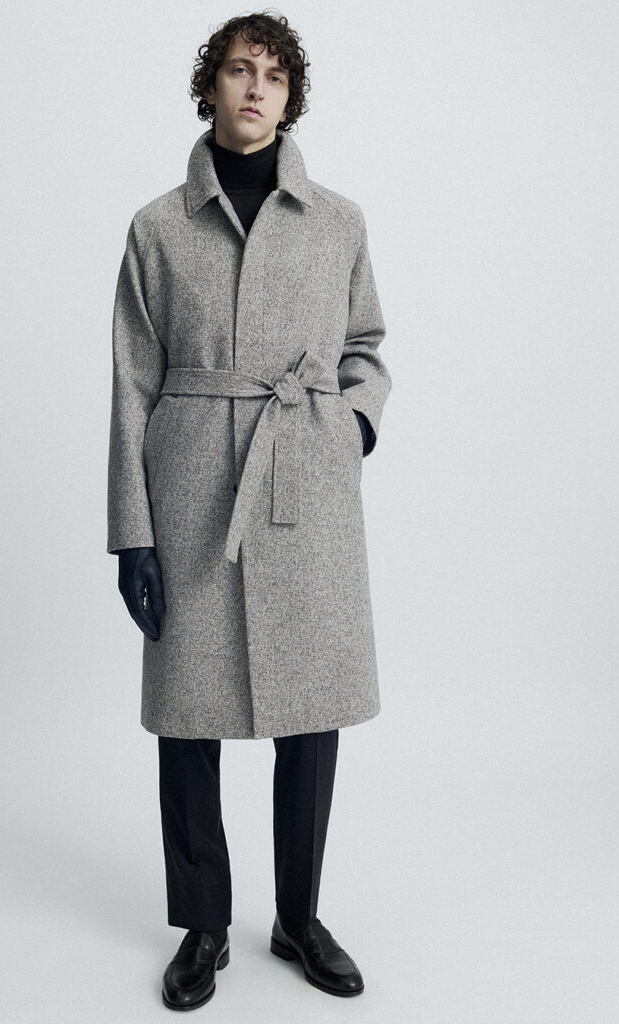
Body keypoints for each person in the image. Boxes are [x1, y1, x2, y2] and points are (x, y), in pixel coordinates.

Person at [107, 11, 391, 1010]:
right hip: (189, 488)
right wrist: (131, 534)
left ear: (290, 95)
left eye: (273, 74)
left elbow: (365, 347)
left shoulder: (339, 221)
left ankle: (299, 918)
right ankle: (204, 925)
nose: (256, 87)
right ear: (212, 86)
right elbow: (131, 384)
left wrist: (349, 427)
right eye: (239, 69)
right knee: (188, 717)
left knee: (310, 713)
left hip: (302, 487)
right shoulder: (157, 227)